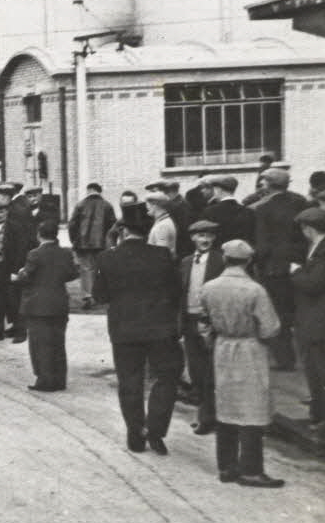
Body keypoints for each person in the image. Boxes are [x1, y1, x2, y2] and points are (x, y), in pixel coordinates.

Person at [93, 202, 183, 454]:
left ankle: (135, 433)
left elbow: (100, 296)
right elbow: (176, 292)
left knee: (129, 382)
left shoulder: (107, 258)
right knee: (166, 377)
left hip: (124, 330)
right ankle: (155, 431)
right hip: (160, 329)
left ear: (123, 230)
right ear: (148, 228)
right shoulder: (162, 255)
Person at [199, 240, 285, 487]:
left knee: (226, 405)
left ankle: (226, 466)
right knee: (252, 408)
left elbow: (203, 321)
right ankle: (251, 469)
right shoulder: (255, 290)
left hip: (223, 348)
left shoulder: (209, 287)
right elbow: (270, 328)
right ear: (248, 261)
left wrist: (213, 338)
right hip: (250, 349)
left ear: (225, 259)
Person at [251, 167, 309, 371]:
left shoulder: (261, 208)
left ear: (268, 183)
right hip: (299, 264)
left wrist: (258, 262)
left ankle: (285, 359)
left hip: (273, 268)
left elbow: (262, 242)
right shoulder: (301, 202)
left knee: (278, 313)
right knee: (300, 311)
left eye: (263, 181)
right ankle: (307, 356)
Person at [289, 208, 325, 434]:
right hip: (312, 319)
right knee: (315, 369)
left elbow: (314, 284)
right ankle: (319, 413)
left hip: (322, 321)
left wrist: (297, 272)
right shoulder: (319, 248)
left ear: (307, 229)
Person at [14, 219, 78, 392]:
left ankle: (45, 380)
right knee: (58, 342)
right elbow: (72, 273)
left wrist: (18, 275)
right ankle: (59, 379)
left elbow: (26, 276)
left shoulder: (34, 254)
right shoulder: (65, 253)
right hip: (58, 303)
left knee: (40, 344)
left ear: (39, 235)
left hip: (37, 305)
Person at [177, 220, 224, 435]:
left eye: (209, 236)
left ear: (214, 239)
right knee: (196, 372)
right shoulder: (186, 262)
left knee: (210, 374)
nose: (204, 240)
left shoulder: (220, 261)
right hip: (189, 322)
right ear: (192, 238)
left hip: (210, 324)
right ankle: (204, 413)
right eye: (200, 235)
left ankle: (209, 418)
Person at [0, 195, 30, 344]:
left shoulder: (15, 227)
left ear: (7, 212)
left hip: (9, 268)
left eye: (1, 212)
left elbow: (21, 249)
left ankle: (20, 331)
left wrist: (16, 271)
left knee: (14, 300)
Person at [67, 182, 115, 309]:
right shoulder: (107, 205)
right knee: (102, 269)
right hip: (102, 244)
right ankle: (101, 296)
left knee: (86, 270)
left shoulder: (80, 205)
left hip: (83, 244)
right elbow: (113, 227)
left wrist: (74, 240)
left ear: (89, 190)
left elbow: (72, 225)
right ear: (100, 191)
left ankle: (88, 296)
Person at [201, 175, 255, 247]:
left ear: (218, 190)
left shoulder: (210, 211)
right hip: (242, 254)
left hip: (218, 254)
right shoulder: (248, 211)